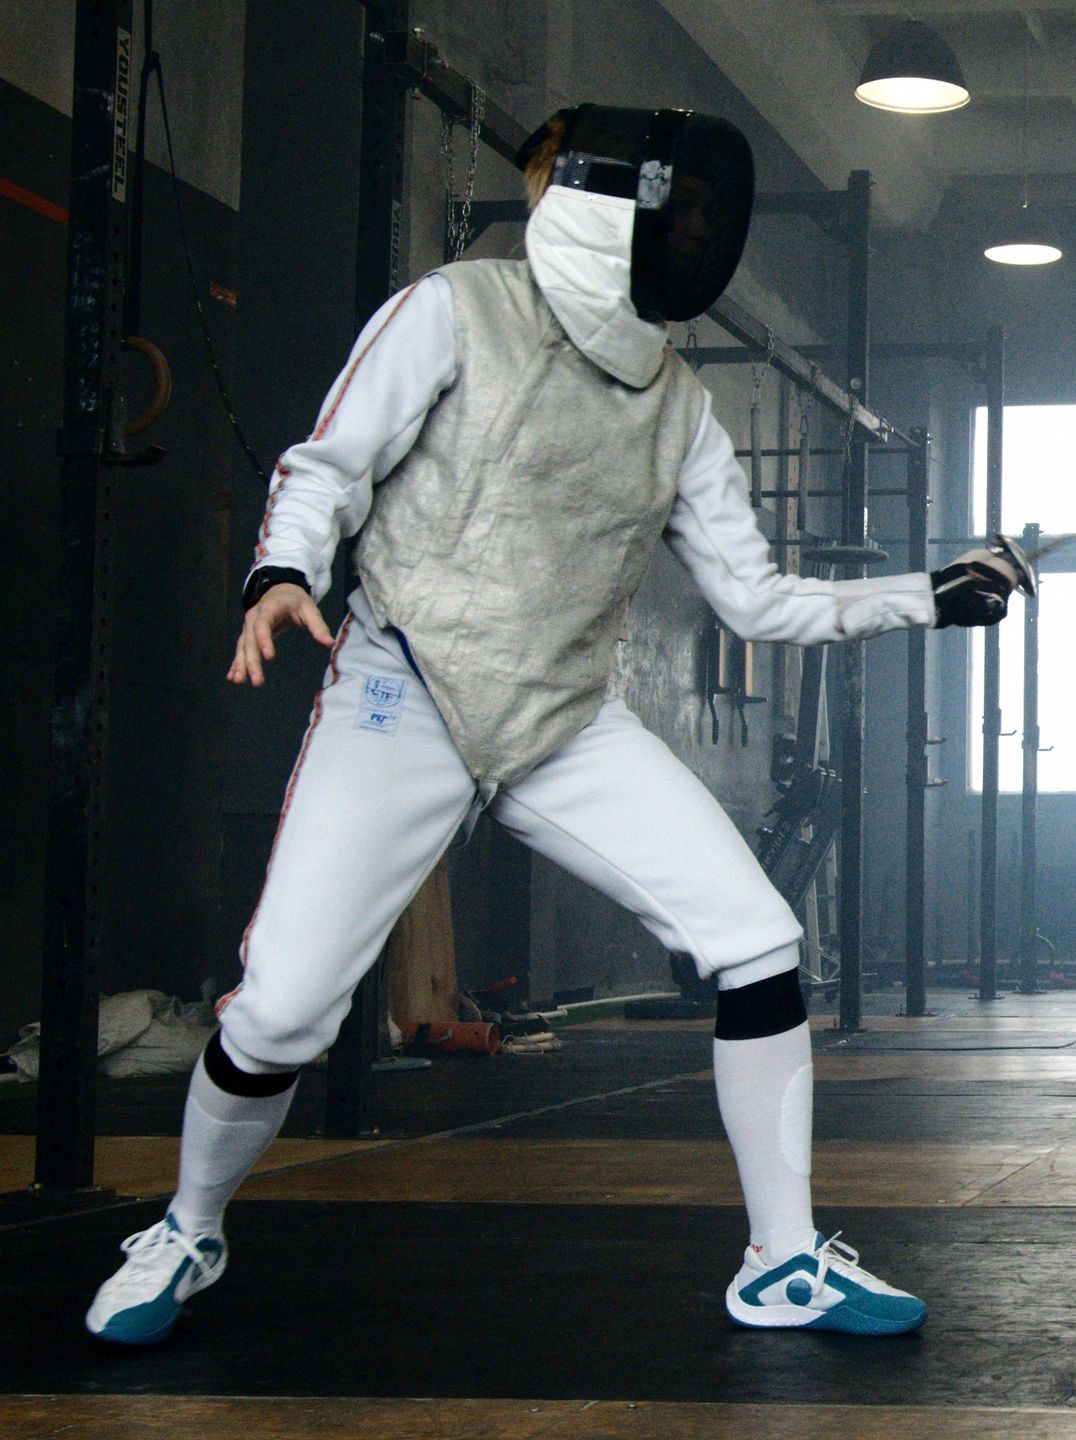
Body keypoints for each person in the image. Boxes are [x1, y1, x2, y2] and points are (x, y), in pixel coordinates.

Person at [84, 105, 1023, 1345]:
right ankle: (188, 1228)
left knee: (756, 941)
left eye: (712, 219)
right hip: (405, 688)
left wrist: (928, 594)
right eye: (684, 212)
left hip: (566, 719)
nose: (700, 237)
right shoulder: (452, 310)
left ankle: (783, 1260)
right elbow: (329, 466)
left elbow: (753, 598)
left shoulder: (680, 407)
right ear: (604, 206)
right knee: (282, 1015)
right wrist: (282, 572)